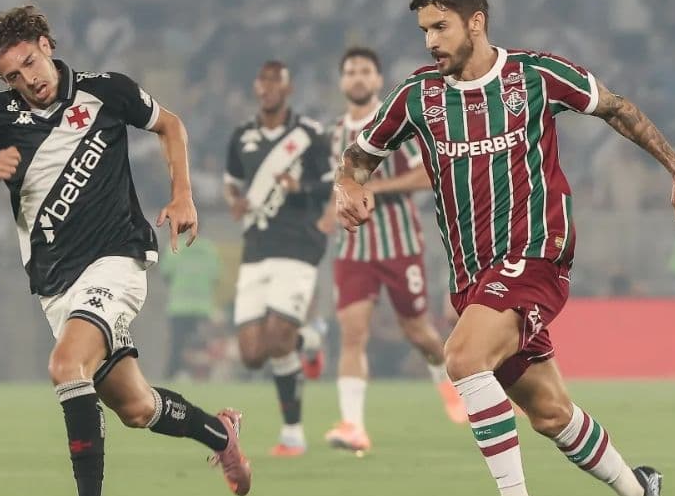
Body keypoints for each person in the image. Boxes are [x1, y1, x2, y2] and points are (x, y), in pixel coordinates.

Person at [334, 0, 675, 496]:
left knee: (462, 358)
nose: (430, 41)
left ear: (476, 21)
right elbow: (359, 156)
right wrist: (348, 186)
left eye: (440, 27)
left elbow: (617, 109)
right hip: (474, 279)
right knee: (552, 414)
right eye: (424, 30)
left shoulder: (535, 76)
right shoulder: (417, 97)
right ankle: (640, 492)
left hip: (537, 256)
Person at [0, 6, 250, 496]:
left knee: (66, 366)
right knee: (136, 408)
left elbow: (171, 125)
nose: (27, 80)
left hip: (117, 261)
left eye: (30, 63)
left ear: (46, 44)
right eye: (12, 75)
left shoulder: (106, 91)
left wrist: (182, 195)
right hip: (55, 285)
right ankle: (220, 434)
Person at [319, 47, 466, 454]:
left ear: (378, 79)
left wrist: (375, 187)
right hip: (353, 248)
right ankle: (353, 426)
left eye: (365, 70)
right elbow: (338, 184)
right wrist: (330, 211)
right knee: (352, 334)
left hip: (399, 245)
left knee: (418, 332)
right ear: (342, 81)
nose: (358, 77)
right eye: (351, 71)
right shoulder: (333, 133)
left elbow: (429, 174)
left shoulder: (395, 123)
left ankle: (449, 385)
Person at [224, 60, 330, 457]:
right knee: (252, 355)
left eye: (275, 81)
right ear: (256, 88)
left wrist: (300, 187)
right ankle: (309, 339)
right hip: (256, 247)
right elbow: (231, 184)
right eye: (263, 81)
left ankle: (292, 434)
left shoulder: (309, 135)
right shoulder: (242, 136)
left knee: (277, 336)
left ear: (288, 89)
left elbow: (330, 183)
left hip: (297, 244)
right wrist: (235, 202)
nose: (267, 87)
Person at [159, 237, 222, 380]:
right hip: (202, 307)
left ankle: (172, 376)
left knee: (177, 345)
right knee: (202, 346)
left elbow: (166, 274)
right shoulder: (209, 249)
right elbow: (216, 276)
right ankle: (202, 378)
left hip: (179, 306)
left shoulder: (174, 247)